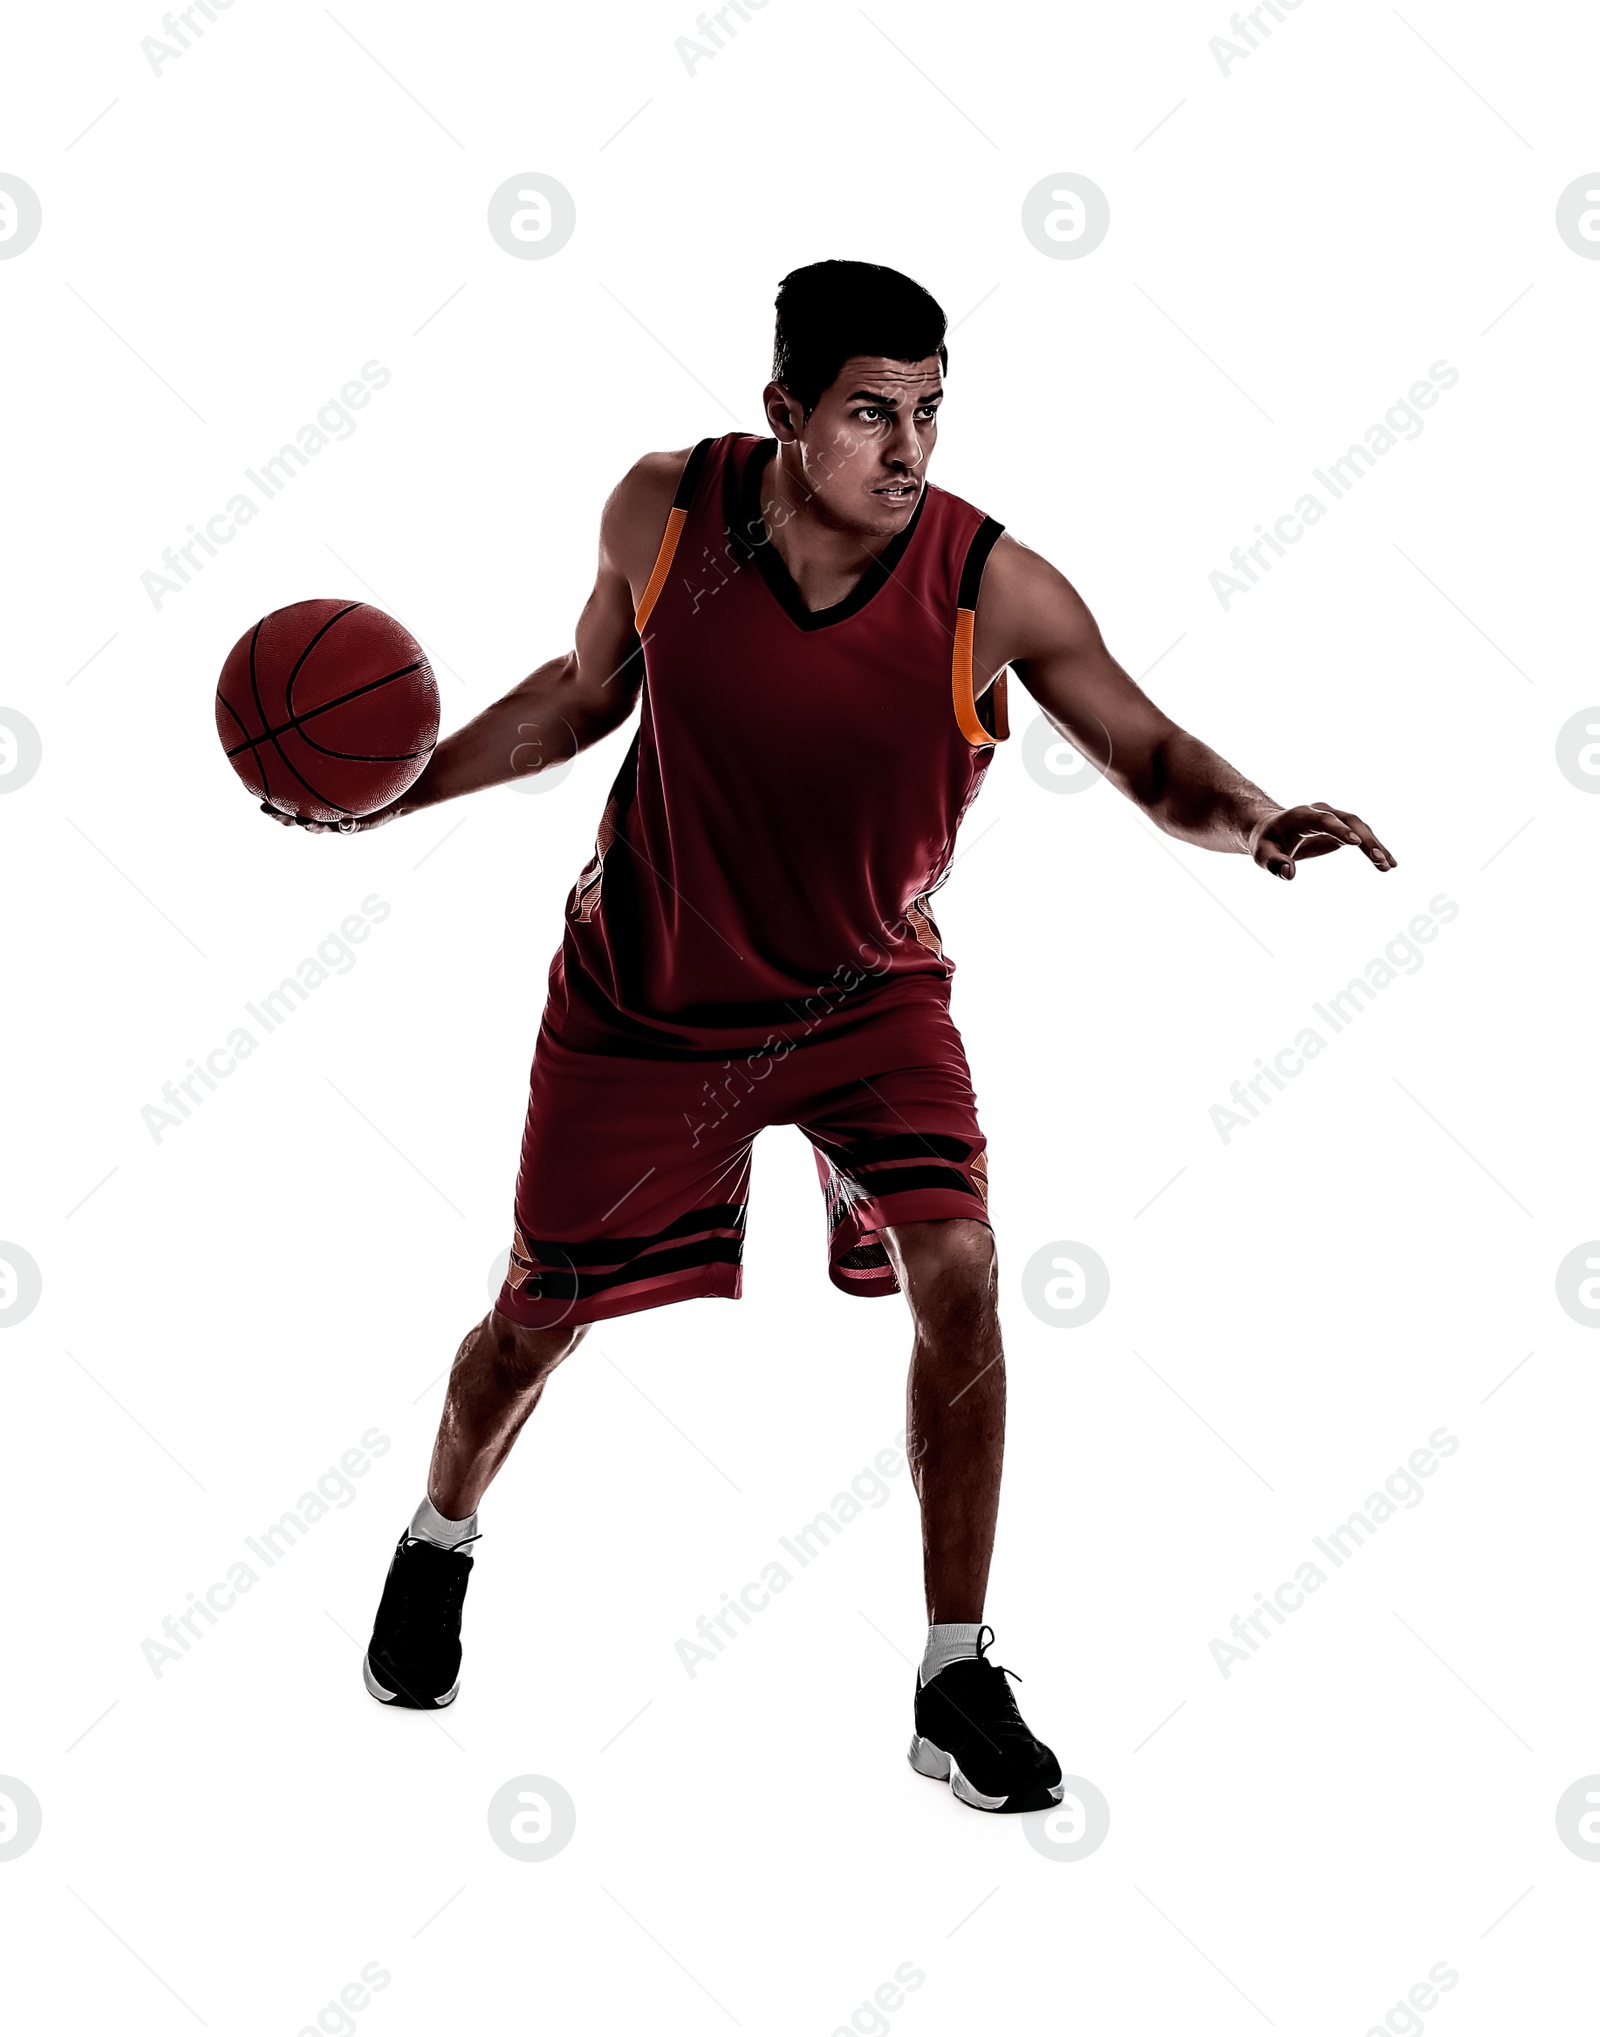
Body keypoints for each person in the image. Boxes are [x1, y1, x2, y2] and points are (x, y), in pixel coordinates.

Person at [266, 259, 1394, 1814]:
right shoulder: (661, 514)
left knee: (965, 1269)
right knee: (533, 1322)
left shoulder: (992, 584)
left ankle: (953, 1672)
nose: (910, 446)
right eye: (873, 411)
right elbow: (587, 695)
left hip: (866, 999)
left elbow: (1146, 751)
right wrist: (405, 784)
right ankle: (440, 1535)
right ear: (786, 412)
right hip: (646, 997)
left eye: (932, 410)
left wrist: (1264, 822)